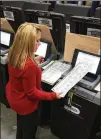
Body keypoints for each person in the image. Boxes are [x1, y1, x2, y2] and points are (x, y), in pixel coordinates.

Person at [6, 22, 61, 139]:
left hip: (14, 97)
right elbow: (32, 93)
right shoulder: (30, 67)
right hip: (26, 105)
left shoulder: (13, 53)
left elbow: (21, 70)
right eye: (37, 41)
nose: (39, 43)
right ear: (27, 42)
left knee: (21, 125)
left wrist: (34, 60)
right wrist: (53, 95)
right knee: (29, 131)